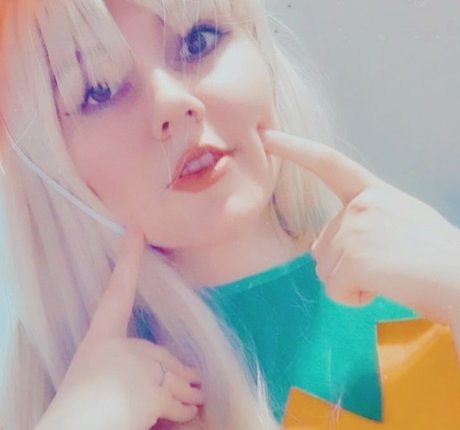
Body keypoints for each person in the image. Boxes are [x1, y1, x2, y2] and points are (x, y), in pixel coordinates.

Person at [0, 0, 459, 429]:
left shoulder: (430, 284)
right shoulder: (80, 401)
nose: (171, 102)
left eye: (198, 40)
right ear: (50, 164)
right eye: (97, 91)